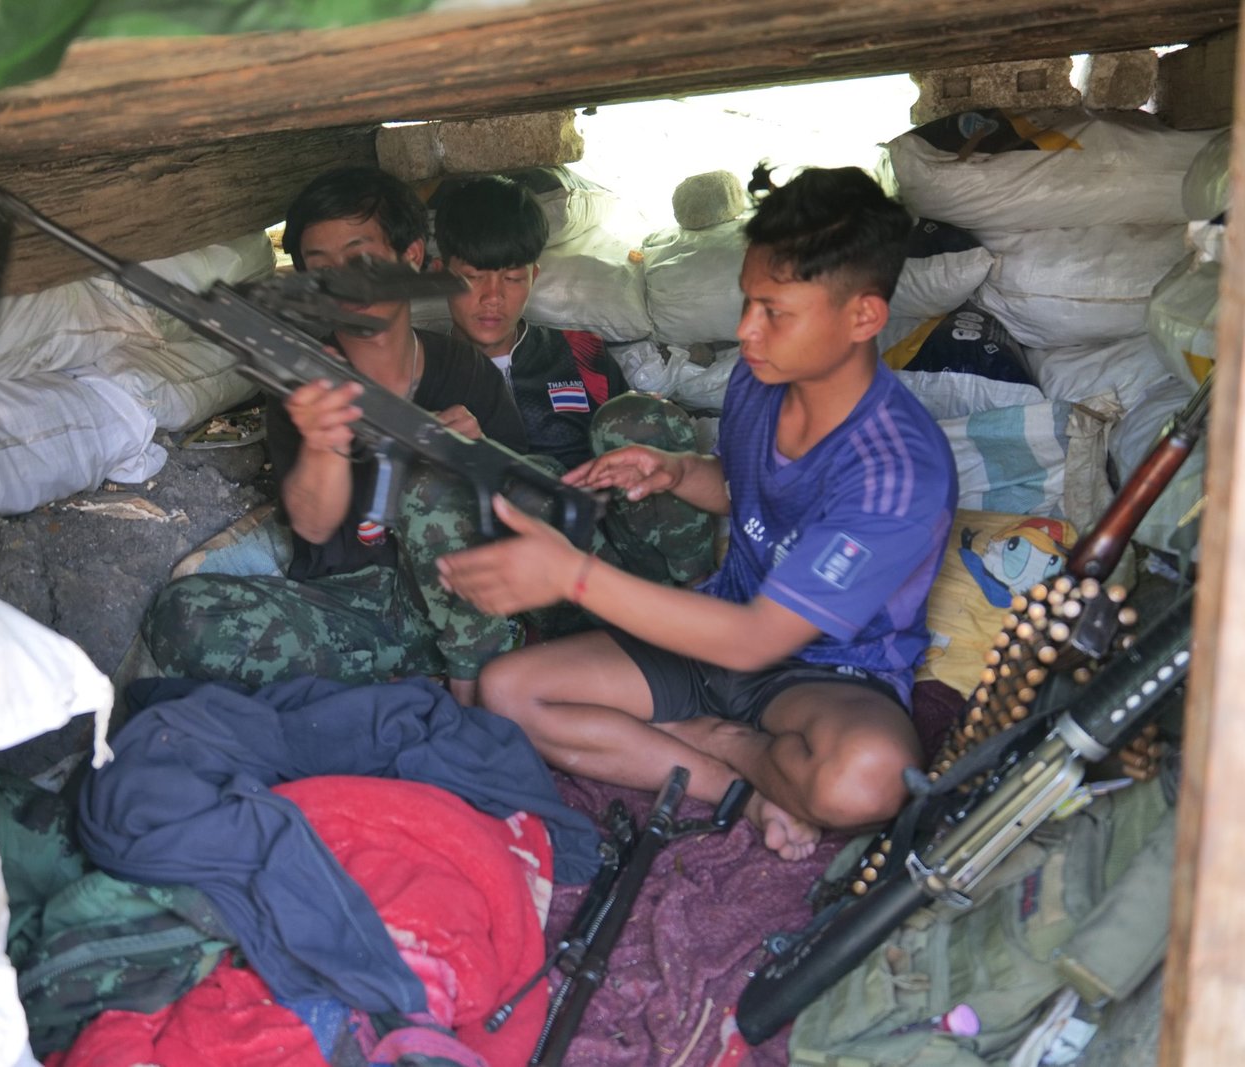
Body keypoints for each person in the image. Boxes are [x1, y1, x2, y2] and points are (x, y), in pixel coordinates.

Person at [436, 167, 958, 859]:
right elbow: (747, 496)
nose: (745, 330)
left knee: (864, 783)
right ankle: (730, 775)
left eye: (774, 311)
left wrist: (572, 576)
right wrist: (678, 472)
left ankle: (724, 739)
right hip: (714, 634)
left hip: (825, 675)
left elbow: (757, 641)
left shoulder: (897, 472)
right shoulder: (761, 377)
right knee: (508, 691)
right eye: (747, 301)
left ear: (862, 316)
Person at [143, 165, 527, 707]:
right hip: (352, 608)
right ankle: (419, 682)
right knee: (183, 618)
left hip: (461, 603)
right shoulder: (304, 384)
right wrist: (323, 442)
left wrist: (478, 454)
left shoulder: (464, 373)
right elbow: (314, 528)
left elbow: (528, 511)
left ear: (411, 257)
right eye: (321, 269)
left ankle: (436, 679)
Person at [431, 174, 715, 589]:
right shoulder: (427, 373)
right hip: (519, 568)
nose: (493, 298)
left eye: (512, 278)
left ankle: (700, 591)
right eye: (473, 277)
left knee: (639, 415)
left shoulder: (580, 353)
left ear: (534, 276)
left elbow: (636, 452)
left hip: (616, 545)